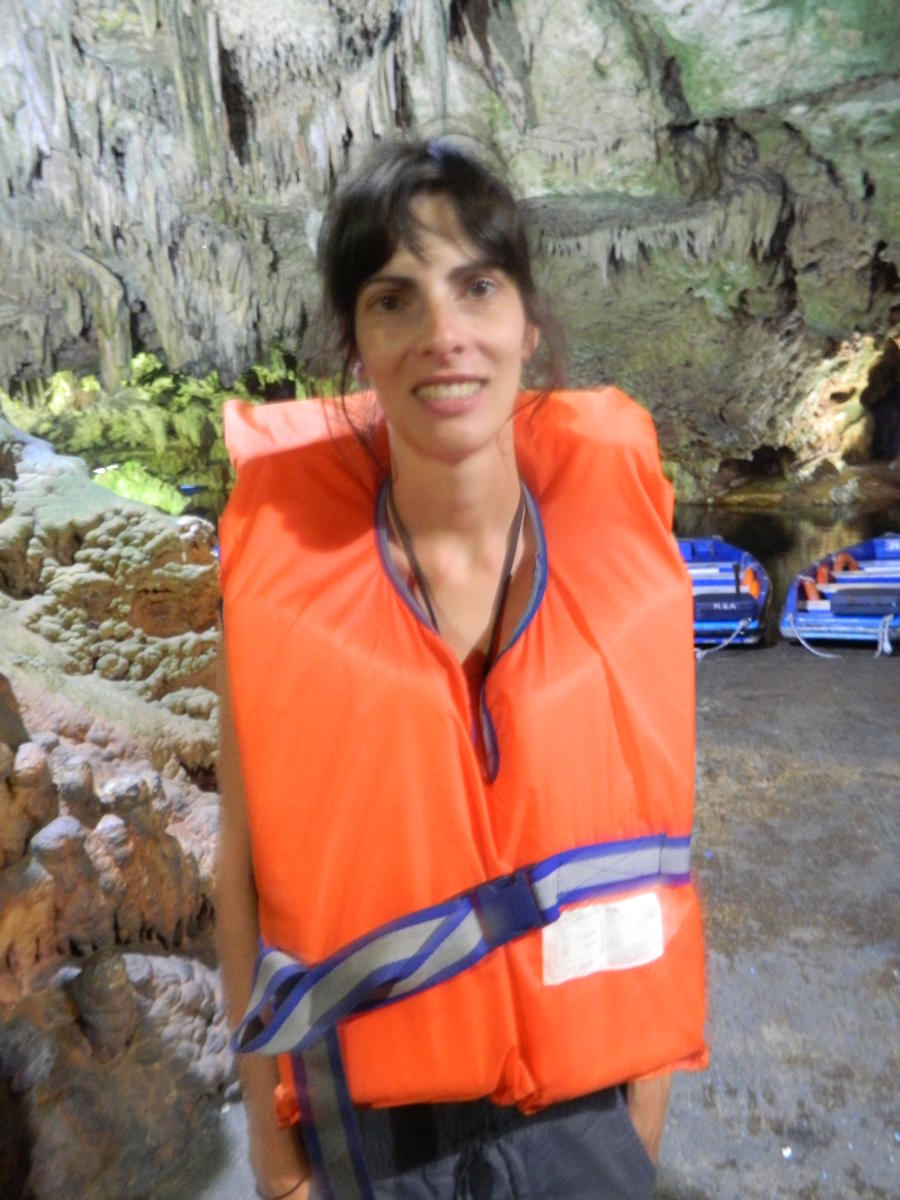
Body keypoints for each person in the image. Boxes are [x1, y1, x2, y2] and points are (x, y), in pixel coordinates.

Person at [216, 139, 707, 1200]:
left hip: (589, 1115)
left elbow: (656, 844)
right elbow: (241, 877)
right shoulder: (278, 590)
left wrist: (646, 1116)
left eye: (476, 287)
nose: (444, 334)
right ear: (356, 344)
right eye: (394, 300)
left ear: (528, 323)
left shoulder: (627, 575)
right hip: (372, 1125)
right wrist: (272, 1153)